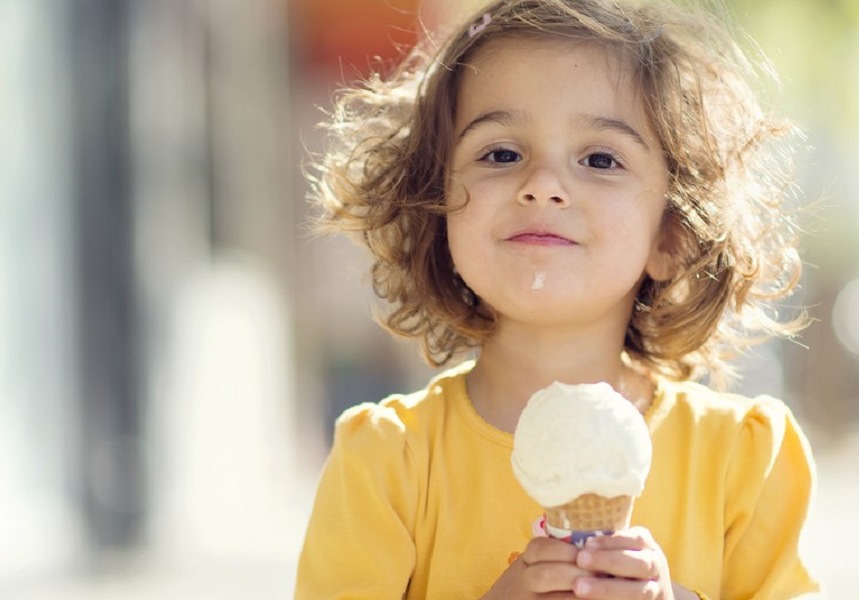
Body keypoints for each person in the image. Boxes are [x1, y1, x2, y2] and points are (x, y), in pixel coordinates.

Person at [297, 0, 821, 598]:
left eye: (600, 159)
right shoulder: (389, 462)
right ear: (432, 211)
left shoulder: (740, 461)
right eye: (501, 154)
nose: (543, 185)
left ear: (672, 235)